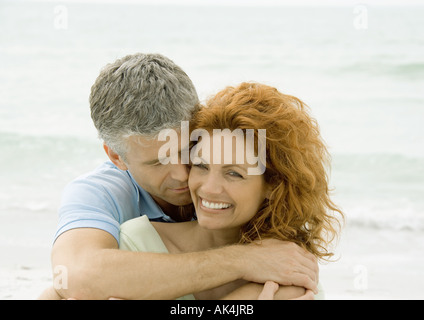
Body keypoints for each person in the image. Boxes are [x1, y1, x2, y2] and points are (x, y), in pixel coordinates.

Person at [40, 54, 319, 300]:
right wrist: (244, 260)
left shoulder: (235, 177)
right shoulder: (103, 195)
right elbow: (76, 278)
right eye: (159, 161)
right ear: (116, 157)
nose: (184, 174)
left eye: (189, 151)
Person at [118, 82, 343, 299]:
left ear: (273, 186)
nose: (209, 188)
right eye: (201, 166)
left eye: (234, 173)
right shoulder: (138, 242)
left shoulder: (290, 270)